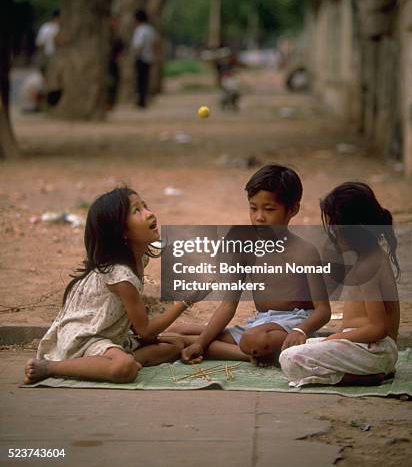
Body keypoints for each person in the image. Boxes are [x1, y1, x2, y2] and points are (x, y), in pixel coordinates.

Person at [24, 187, 193, 385]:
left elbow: (138, 329)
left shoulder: (140, 259)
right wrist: (186, 301)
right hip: (84, 339)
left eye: (144, 206)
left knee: (175, 345)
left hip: (111, 336)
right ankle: (49, 367)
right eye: (136, 211)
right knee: (125, 369)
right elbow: (145, 330)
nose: (149, 213)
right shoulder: (120, 275)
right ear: (121, 232)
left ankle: (105, 364)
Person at [168, 164, 331, 366]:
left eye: (269, 209)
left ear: (293, 209)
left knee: (254, 340)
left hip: (292, 326)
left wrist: (301, 330)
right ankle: (248, 353)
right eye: (253, 208)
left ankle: (243, 352)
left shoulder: (305, 252)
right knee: (177, 331)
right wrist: (201, 342)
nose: (259, 217)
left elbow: (323, 310)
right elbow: (228, 305)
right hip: (259, 324)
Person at [279, 182, 400, 387]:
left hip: (375, 350)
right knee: (298, 346)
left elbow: (379, 328)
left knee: (289, 359)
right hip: (369, 347)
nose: (331, 234)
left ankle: (367, 377)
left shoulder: (367, 268)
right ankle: (370, 370)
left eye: (334, 227)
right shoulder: (371, 256)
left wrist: (335, 337)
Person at [35, 9, 62, 106]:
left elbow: (39, 43)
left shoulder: (46, 28)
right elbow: (40, 43)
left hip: (53, 57)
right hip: (51, 56)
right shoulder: (49, 28)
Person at [131, 9, 156, 109]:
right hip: (149, 57)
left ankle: (140, 102)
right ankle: (144, 100)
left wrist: (136, 55)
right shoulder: (150, 30)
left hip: (141, 58)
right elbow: (155, 43)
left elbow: (139, 45)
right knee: (145, 80)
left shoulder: (140, 30)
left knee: (139, 81)